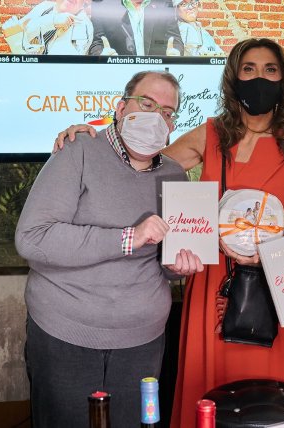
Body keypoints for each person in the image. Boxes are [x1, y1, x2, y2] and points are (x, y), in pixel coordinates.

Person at [53, 38, 284, 427]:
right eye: (248, 69)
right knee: (207, 389)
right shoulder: (211, 133)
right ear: (234, 77)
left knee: (266, 402)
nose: (258, 77)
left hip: (270, 289)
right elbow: (140, 158)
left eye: (270, 69)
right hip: (210, 278)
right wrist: (94, 135)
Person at [15, 70, 203, 428]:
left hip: (143, 340)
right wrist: (128, 237)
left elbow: (161, 259)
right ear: (120, 108)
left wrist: (176, 266)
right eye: (146, 103)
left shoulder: (175, 176)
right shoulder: (77, 153)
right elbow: (33, 238)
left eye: (167, 111)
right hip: (65, 334)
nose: (155, 116)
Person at [88, 0, 183, 56]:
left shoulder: (164, 3)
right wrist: (102, 56)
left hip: (155, 75)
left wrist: (175, 53)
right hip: (118, 74)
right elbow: (97, 43)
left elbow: (175, 40)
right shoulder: (102, 5)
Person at [2, 0, 93, 55]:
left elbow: (54, 69)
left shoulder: (83, 25)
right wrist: (52, 21)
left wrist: (17, 43)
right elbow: (14, 29)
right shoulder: (44, 7)